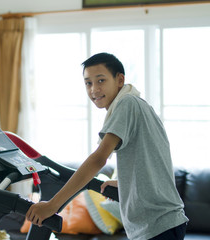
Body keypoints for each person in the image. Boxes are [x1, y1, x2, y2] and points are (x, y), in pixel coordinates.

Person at [26, 53, 188, 240]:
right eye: (88, 83)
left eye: (101, 80)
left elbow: (98, 159)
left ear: (119, 80)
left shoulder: (126, 104)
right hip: (159, 224)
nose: (94, 89)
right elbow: (151, 159)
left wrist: (52, 205)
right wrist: (126, 182)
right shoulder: (136, 104)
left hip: (158, 224)